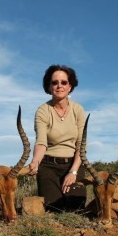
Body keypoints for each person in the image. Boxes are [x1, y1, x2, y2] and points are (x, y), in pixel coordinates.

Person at [29, 64, 86, 213]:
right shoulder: (42, 111)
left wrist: (73, 172)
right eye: (54, 82)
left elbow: (81, 144)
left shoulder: (78, 109)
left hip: (73, 163)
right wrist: (35, 161)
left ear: (70, 86)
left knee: (77, 209)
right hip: (48, 166)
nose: (59, 86)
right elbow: (41, 142)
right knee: (54, 209)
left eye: (63, 82)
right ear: (49, 87)